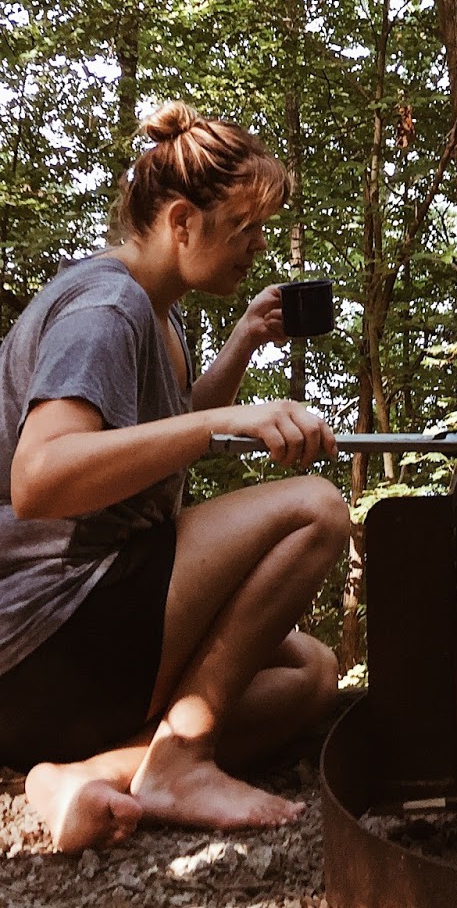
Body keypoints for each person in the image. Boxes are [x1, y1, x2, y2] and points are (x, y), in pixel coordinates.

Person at [0, 102, 350, 854]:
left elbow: (160, 426)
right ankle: (182, 761)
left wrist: (244, 345)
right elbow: (39, 477)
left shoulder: (159, 313)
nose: (256, 247)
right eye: (244, 227)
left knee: (308, 674)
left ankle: (80, 772)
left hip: (68, 660)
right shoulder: (106, 306)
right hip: (42, 635)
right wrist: (225, 424)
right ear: (183, 222)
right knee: (315, 510)